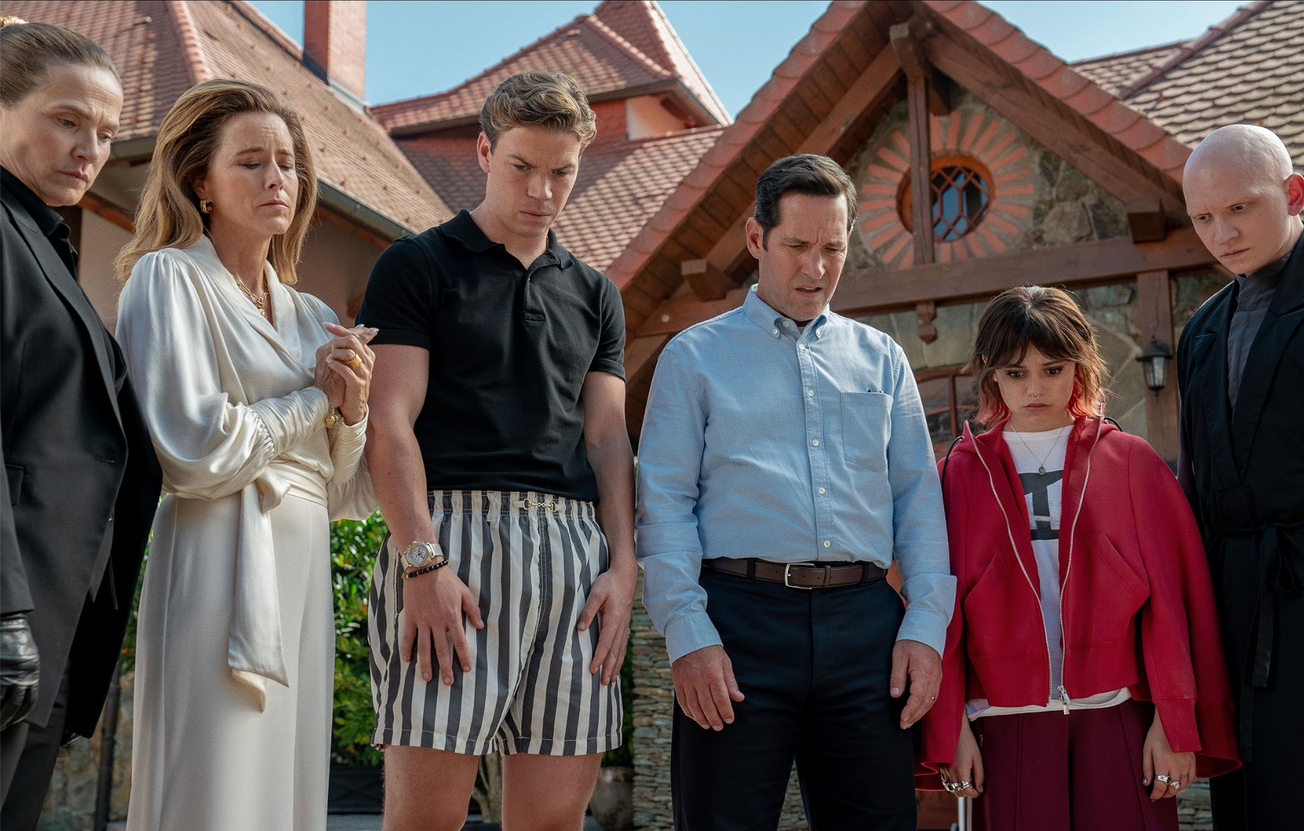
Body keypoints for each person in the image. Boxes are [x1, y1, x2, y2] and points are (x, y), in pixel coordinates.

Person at [636, 153, 955, 830]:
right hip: (736, 625)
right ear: (757, 238)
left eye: (833, 248)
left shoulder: (883, 359)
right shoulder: (693, 357)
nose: (816, 267)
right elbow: (663, 506)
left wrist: (926, 629)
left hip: (867, 629)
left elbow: (918, 502)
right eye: (798, 246)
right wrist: (687, 634)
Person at [358, 70, 634, 831]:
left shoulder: (597, 295)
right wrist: (421, 563)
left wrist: (623, 567)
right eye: (522, 166)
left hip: (575, 559)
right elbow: (389, 420)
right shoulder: (416, 265)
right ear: (484, 152)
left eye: (561, 172)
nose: (542, 190)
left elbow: (608, 438)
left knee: (553, 822)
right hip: (452, 545)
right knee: (425, 821)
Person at [113, 79, 377, 831]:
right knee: (215, 776)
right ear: (201, 181)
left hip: (304, 567)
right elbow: (191, 451)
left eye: (287, 163)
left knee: (288, 787)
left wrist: (353, 411)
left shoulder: (315, 316)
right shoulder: (168, 277)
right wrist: (314, 401)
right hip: (216, 556)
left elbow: (341, 492)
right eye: (251, 162)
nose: (276, 179)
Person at [919, 286, 1239, 831]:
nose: (1035, 388)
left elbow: (1172, 600)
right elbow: (939, 608)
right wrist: (950, 727)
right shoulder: (959, 474)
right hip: (1004, 722)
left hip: (1118, 715)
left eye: (1053, 369)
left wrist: (1173, 720)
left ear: (1080, 367)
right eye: (1015, 373)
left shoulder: (1130, 462)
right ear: (992, 373)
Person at [0, 18, 161, 829]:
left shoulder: (41, 238)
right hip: (13, 618)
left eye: (105, 131)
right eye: (67, 120)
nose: (90, 149)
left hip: (55, 628)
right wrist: (4, 614)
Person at [1177, 123, 1304, 831]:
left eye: (1239, 208)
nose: (1221, 233)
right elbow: (1194, 482)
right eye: (1203, 217)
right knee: (1247, 799)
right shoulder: (1202, 330)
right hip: (1231, 596)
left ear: (1294, 193)